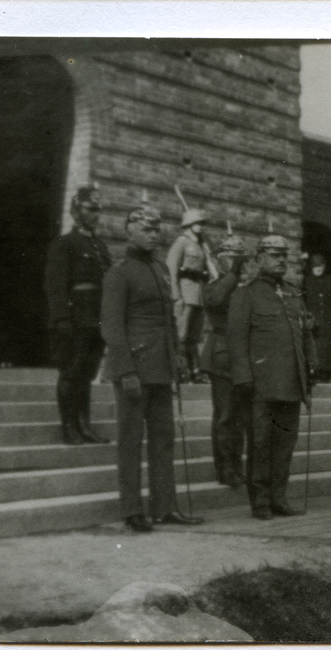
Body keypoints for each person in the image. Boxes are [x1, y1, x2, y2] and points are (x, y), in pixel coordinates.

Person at [100, 202, 203, 532]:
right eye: (146, 228)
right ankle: (132, 510)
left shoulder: (160, 269)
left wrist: (177, 361)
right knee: (131, 439)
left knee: (164, 437)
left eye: (156, 229)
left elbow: (169, 321)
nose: (153, 234)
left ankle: (165, 506)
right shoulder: (120, 272)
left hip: (160, 366)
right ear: (129, 231)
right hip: (135, 369)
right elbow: (113, 326)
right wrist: (126, 371)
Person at [228, 226, 316, 520]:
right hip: (260, 386)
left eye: (284, 256)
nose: (281, 261)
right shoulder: (246, 295)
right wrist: (243, 378)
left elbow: (305, 337)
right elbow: (237, 342)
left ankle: (279, 498)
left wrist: (310, 371)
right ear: (259, 259)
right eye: (274, 255)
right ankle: (261, 501)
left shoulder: (293, 294)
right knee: (261, 444)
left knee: (285, 445)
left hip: (291, 383)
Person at [44, 185, 112, 445]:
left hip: (96, 318)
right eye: (91, 209)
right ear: (76, 211)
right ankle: (69, 427)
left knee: (87, 373)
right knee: (72, 372)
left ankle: (85, 426)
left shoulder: (99, 245)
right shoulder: (65, 244)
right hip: (75, 318)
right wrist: (61, 318)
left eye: (99, 210)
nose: (96, 215)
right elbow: (55, 283)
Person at [199, 226, 251, 488]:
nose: (239, 264)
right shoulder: (215, 286)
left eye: (241, 259)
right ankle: (225, 467)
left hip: (243, 357)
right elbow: (217, 301)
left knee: (240, 417)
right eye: (233, 258)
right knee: (226, 415)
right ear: (221, 259)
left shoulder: (246, 288)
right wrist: (232, 274)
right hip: (221, 356)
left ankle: (236, 466)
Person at [166, 208, 216, 384]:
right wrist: (175, 295)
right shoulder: (181, 243)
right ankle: (179, 371)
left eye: (202, 224)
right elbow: (171, 268)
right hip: (185, 294)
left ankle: (195, 370)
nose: (200, 227)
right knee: (181, 335)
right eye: (197, 223)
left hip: (198, 296)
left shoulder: (200, 246)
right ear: (188, 224)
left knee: (194, 337)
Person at [303, 253, 331, 383]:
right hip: (315, 321)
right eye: (316, 266)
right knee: (316, 347)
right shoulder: (307, 281)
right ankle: (316, 373)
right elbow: (304, 301)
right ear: (312, 267)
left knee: (329, 347)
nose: (318, 268)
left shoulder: (329, 280)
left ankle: (330, 373)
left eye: (321, 266)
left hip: (329, 320)